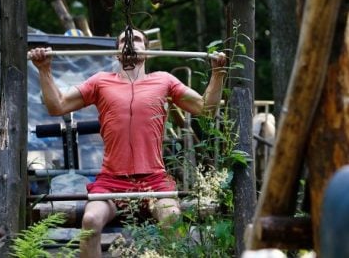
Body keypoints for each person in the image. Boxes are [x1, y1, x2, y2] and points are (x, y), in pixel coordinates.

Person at [28, 28, 227, 257]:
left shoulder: (164, 80)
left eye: (137, 40)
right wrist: (44, 69)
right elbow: (57, 105)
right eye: (124, 40)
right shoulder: (100, 81)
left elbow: (206, 109)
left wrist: (218, 73)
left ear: (148, 51)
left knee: (172, 220)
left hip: (154, 180)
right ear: (116, 52)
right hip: (111, 182)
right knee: (90, 221)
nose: (131, 44)